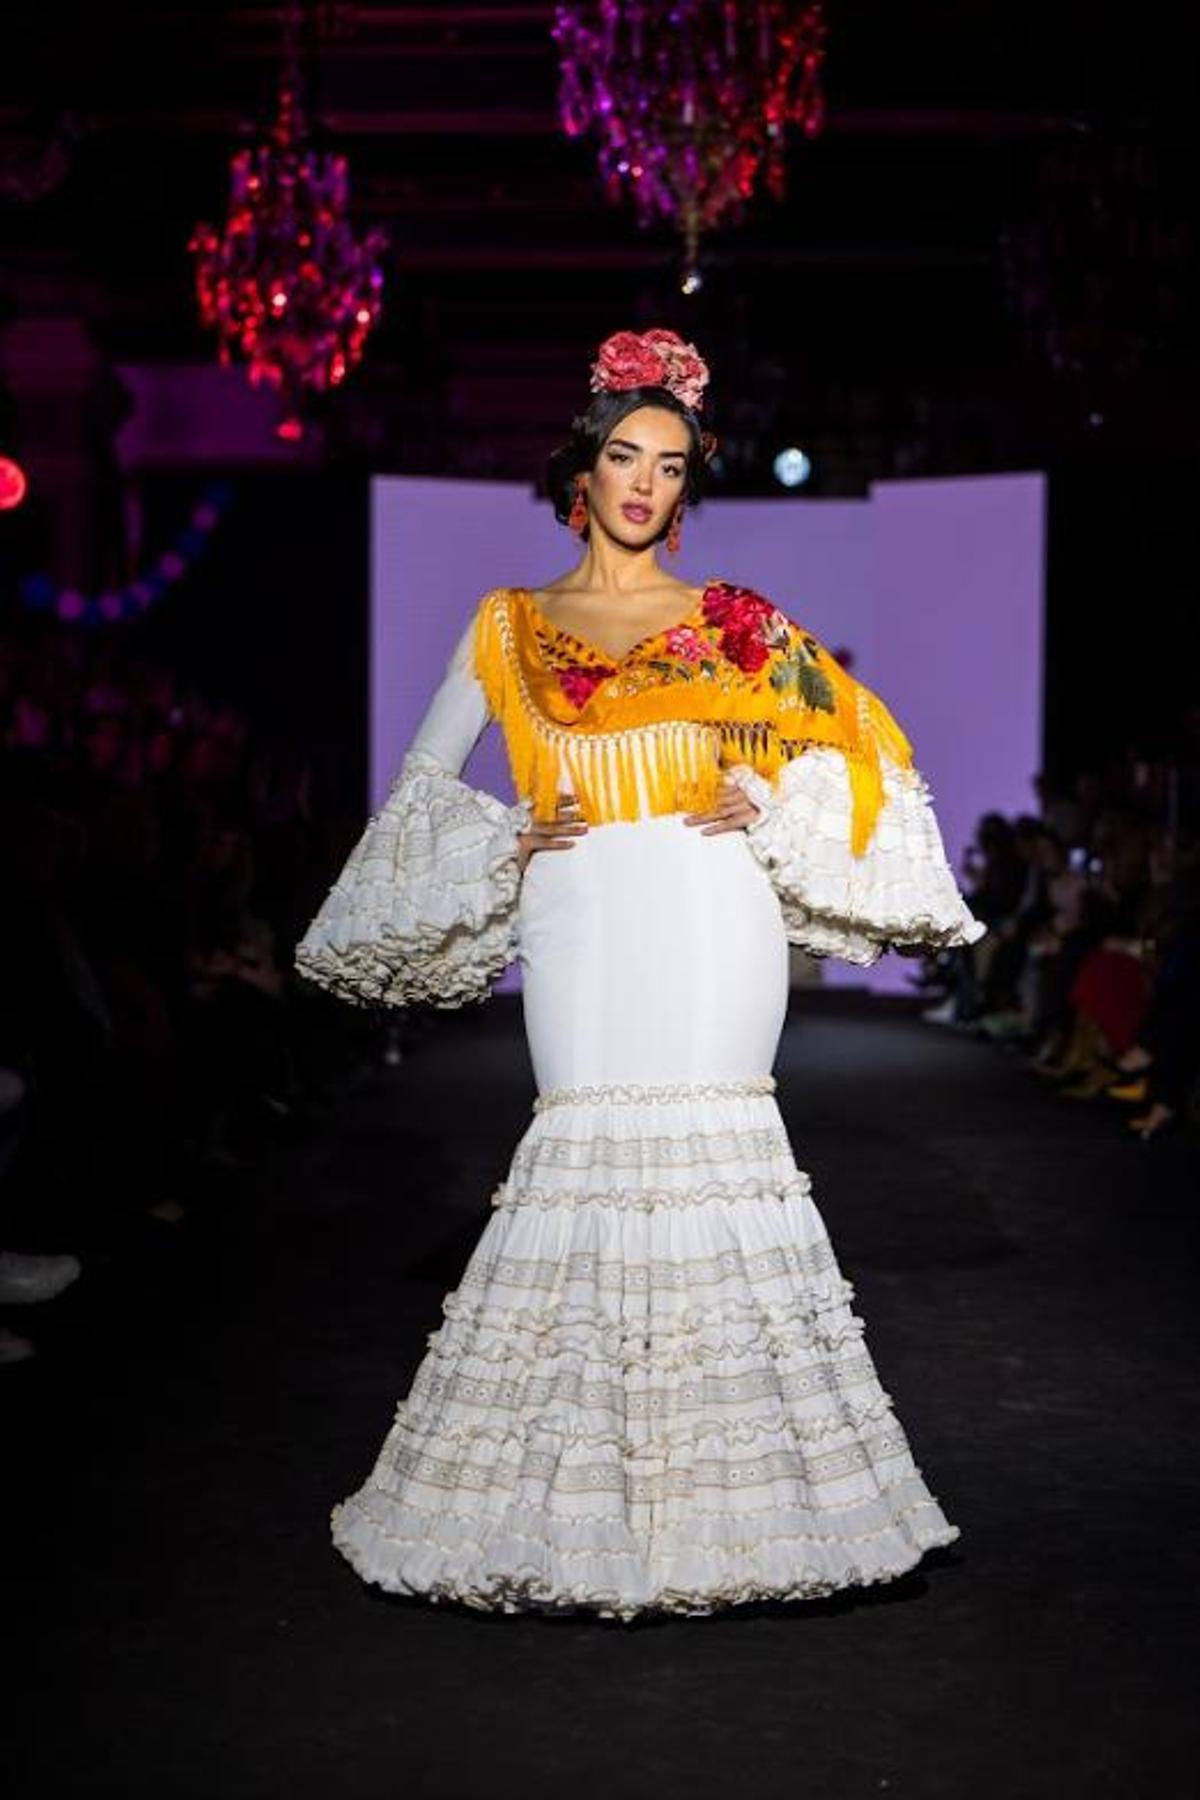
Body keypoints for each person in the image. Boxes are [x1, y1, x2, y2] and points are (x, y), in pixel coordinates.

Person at [295, 327, 987, 1622]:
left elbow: (858, 741)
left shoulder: (734, 623)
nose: (643, 483)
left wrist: (764, 792)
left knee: (717, 1165)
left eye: (669, 465)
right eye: (624, 456)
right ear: (583, 467)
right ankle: (572, 1504)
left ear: (686, 482)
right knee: (587, 1161)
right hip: (579, 912)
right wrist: (507, 840)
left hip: (708, 911)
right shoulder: (509, 623)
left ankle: (743, 1508)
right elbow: (421, 781)